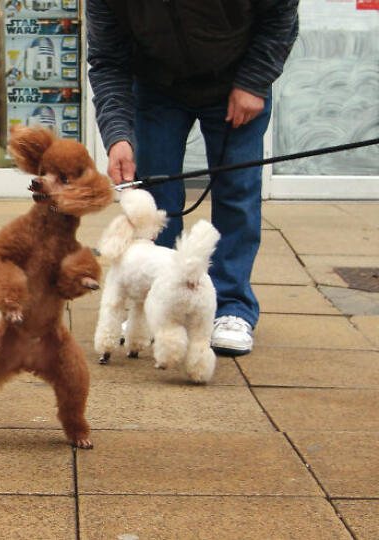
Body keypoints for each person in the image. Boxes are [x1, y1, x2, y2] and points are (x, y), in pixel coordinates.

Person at [85, 0, 299, 356]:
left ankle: (231, 307)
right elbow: (108, 61)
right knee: (156, 199)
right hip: (155, 86)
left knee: (237, 192)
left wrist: (254, 81)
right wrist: (118, 136)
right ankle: (159, 304)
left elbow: (280, 14)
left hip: (236, 79)